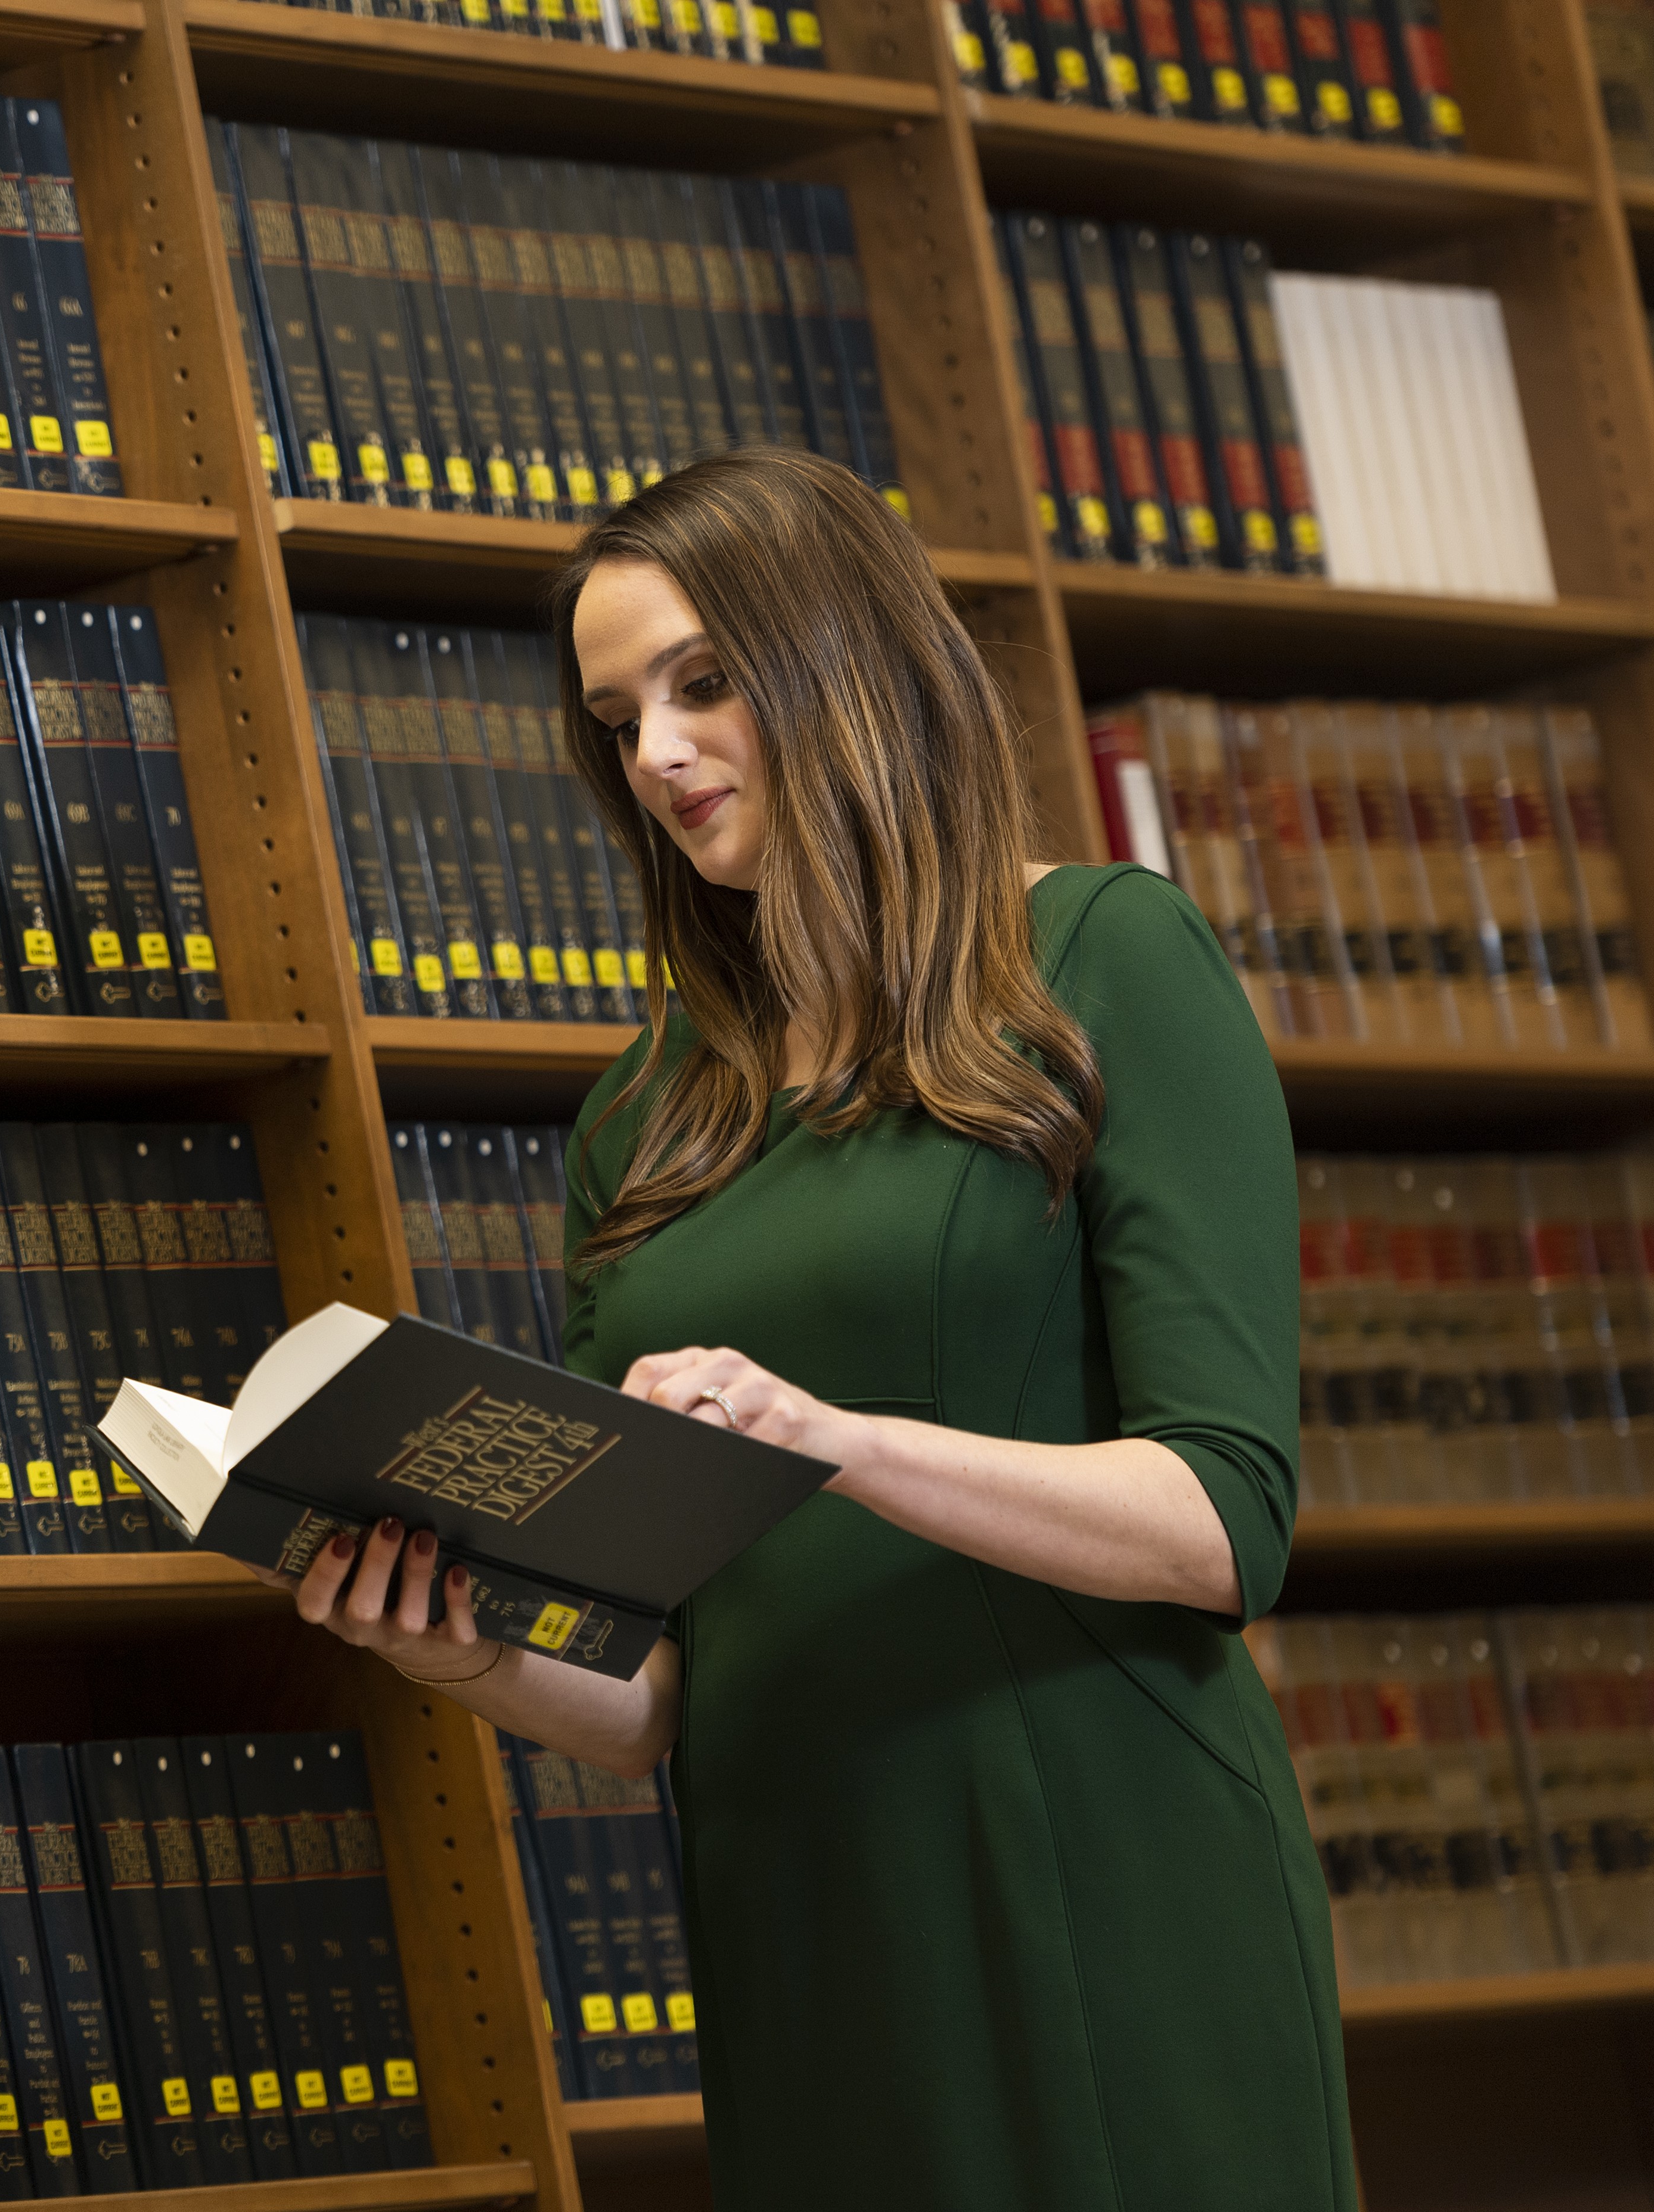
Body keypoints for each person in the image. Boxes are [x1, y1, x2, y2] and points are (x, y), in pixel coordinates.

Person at [272, 448, 1354, 2208]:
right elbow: (659, 1696)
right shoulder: (644, 1122)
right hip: (798, 1904)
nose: (658, 757)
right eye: (618, 719)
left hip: (1091, 1860)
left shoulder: (1099, 959)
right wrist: (451, 1644)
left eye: (702, 684)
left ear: (850, 656)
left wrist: (832, 1442)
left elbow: (1228, 1522)